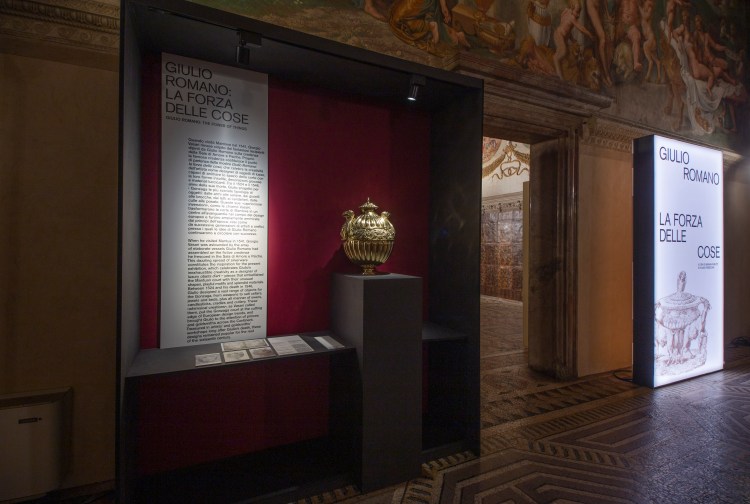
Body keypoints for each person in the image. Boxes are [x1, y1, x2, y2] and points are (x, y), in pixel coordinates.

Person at [553, 0, 593, 80]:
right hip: (559, 35)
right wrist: (589, 34)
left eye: (579, 12)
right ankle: (559, 74)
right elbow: (581, 28)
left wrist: (572, 39)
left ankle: (561, 72)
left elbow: (566, 29)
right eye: (577, 12)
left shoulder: (566, 12)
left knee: (566, 54)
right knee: (563, 52)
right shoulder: (572, 17)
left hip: (561, 35)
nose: (578, 15)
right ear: (571, 7)